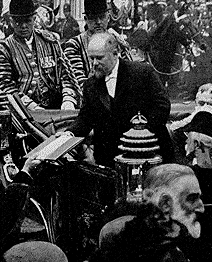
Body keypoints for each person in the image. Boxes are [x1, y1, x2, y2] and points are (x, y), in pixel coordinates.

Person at [62, 32, 173, 167]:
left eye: (99, 58)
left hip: (148, 154)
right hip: (109, 159)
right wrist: (69, 133)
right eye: (92, 58)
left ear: (115, 54)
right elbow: (85, 118)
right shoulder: (90, 85)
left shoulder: (142, 73)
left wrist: (141, 133)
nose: (94, 63)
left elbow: (162, 106)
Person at [0, 0, 79, 110]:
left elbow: (66, 75)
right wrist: (32, 107)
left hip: (57, 107)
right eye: (18, 22)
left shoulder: (50, 41)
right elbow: (6, 87)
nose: (23, 26)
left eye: (28, 21)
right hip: (23, 111)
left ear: (34, 18)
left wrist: (68, 99)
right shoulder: (3, 49)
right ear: (11, 21)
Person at [63, 0, 130, 87]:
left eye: (102, 17)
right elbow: (78, 81)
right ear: (86, 19)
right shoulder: (74, 45)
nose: (98, 22)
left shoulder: (117, 42)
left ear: (108, 17)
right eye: (93, 18)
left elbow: (128, 74)